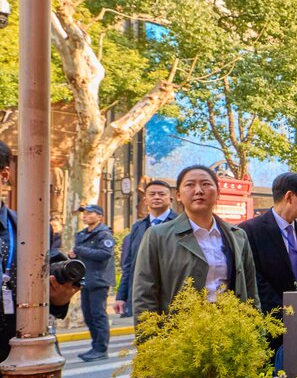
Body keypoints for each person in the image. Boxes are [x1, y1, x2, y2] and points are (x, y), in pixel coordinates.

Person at [130, 166, 259, 323]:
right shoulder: (157, 236)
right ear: (178, 195)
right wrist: (149, 343)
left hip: (229, 333)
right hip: (179, 336)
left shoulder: (237, 236)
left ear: (217, 193)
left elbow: (251, 291)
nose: (198, 190)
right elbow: (144, 294)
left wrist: (255, 332)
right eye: (190, 185)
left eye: (206, 184)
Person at [0, 140, 80, 363]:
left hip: (17, 357)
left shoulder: (31, 229)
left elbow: (45, 295)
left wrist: (60, 299)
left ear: (4, 174)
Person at [238, 172, 297, 367]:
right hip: (268, 325)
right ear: (290, 196)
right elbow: (254, 279)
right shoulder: (249, 230)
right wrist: (284, 313)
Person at [115, 181, 174, 318]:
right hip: (144, 295)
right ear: (145, 200)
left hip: (172, 294)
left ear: (170, 199)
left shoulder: (181, 224)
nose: (157, 197)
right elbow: (129, 264)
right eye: (152, 194)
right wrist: (121, 296)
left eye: (161, 194)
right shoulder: (138, 227)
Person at [73, 203, 115, 361]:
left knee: (98, 315)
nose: (85, 216)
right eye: (84, 213)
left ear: (99, 217)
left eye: (90, 213)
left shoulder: (104, 234)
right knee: (88, 315)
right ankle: (95, 346)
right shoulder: (82, 234)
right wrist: (74, 255)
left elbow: (105, 254)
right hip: (85, 279)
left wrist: (80, 250)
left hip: (99, 280)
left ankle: (101, 348)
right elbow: (80, 253)